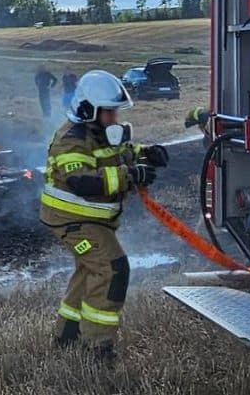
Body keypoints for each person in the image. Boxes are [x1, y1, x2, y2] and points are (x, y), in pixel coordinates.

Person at [39, 69, 168, 363]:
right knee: (113, 268)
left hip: (90, 220)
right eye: (109, 112)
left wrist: (147, 153)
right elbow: (83, 182)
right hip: (72, 221)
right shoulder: (70, 140)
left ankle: (67, 336)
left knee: (89, 271)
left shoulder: (98, 132)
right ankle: (97, 349)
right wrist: (129, 175)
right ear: (88, 109)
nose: (114, 118)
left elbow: (121, 152)